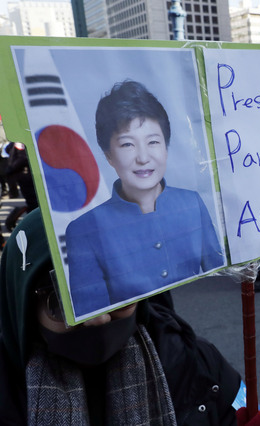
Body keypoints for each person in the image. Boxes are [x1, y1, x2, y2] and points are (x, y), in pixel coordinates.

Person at [0, 209, 260, 425]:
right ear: (23, 307)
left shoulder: (195, 364)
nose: (98, 320)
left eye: (115, 291)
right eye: (63, 302)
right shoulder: (7, 392)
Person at [65, 81, 224, 317]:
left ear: (166, 148)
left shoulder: (192, 203)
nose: (143, 157)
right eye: (128, 144)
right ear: (108, 155)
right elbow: (93, 316)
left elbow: (219, 275)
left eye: (153, 142)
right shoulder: (83, 230)